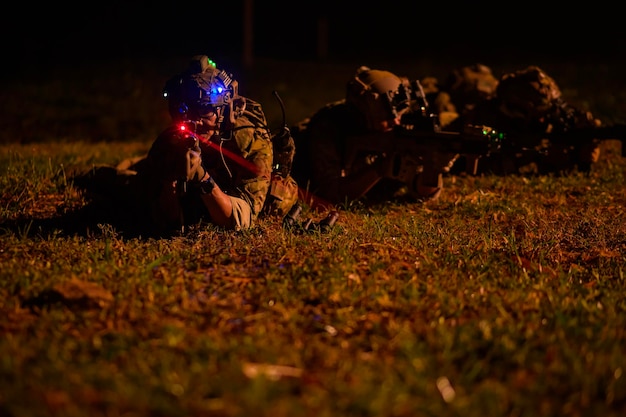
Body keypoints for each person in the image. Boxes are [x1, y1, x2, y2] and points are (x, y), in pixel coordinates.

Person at [72, 55, 298, 236]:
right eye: (184, 110)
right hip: (200, 191)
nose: (193, 120)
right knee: (130, 190)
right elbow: (161, 220)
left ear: (225, 112)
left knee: (278, 201)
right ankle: (93, 174)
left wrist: (201, 178)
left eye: (203, 111)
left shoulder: (249, 141)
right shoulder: (172, 140)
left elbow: (240, 220)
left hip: (239, 195)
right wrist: (170, 182)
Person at [291, 66, 458, 208]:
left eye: (399, 116)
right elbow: (330, 195)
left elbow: (421, 192)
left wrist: (433, 169)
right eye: (387, 119)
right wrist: (379, 169)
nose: (397, 122)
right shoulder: (329, 127)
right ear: (363, 116)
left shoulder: (401, 128)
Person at [444, 65, 603, 175]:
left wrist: (580, 154)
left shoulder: (543, 124)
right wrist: (535, 157)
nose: (544, 120)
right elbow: (467, 164)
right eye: (540, 114)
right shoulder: (486, 117)